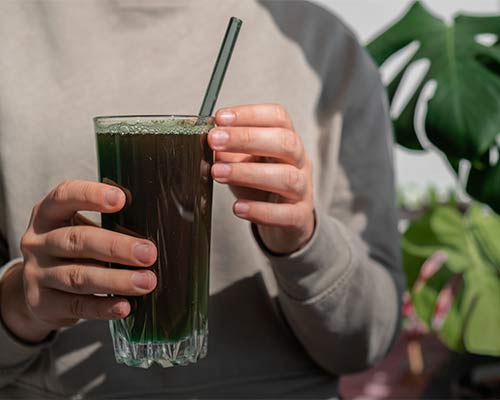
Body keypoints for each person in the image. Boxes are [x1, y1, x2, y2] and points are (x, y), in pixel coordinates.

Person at [0, 0, 404, 398]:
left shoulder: (321, 46)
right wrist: (18, 302)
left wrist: (304, 241)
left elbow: (366, 340)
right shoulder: (11, 28)